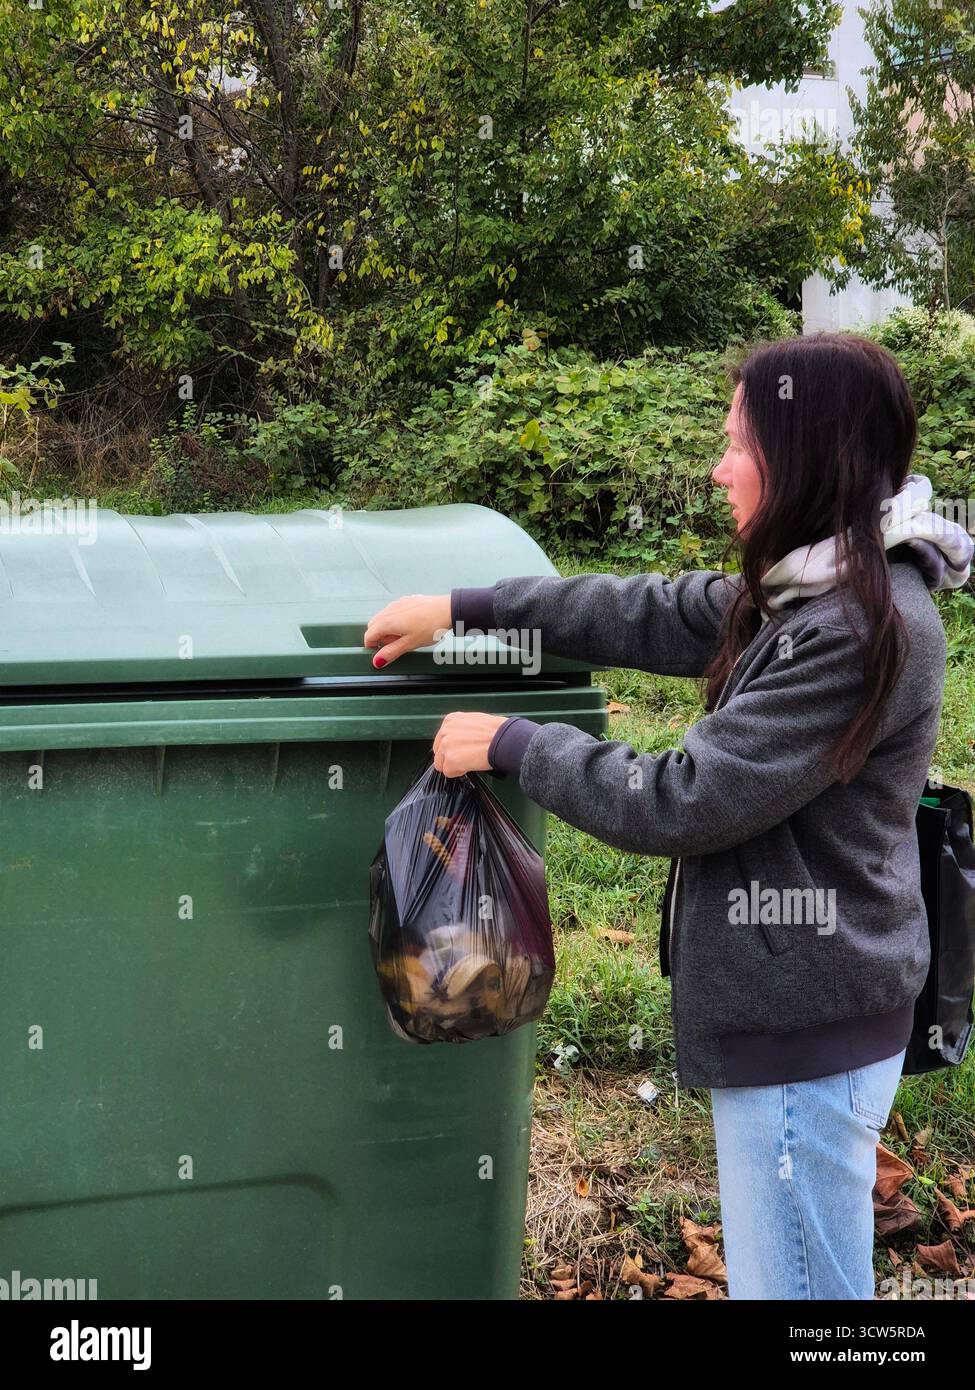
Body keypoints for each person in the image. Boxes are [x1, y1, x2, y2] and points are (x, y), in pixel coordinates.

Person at [362, 332, 974, 1300]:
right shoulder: (812, 585)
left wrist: (516, 743)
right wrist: (465, 604)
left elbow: (687, 801)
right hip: (807, 1003)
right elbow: (660, 609)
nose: (719, 465)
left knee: (805, 1295)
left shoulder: (860, 628)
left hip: (807, 1016)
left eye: (739, 442)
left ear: (804, 455)